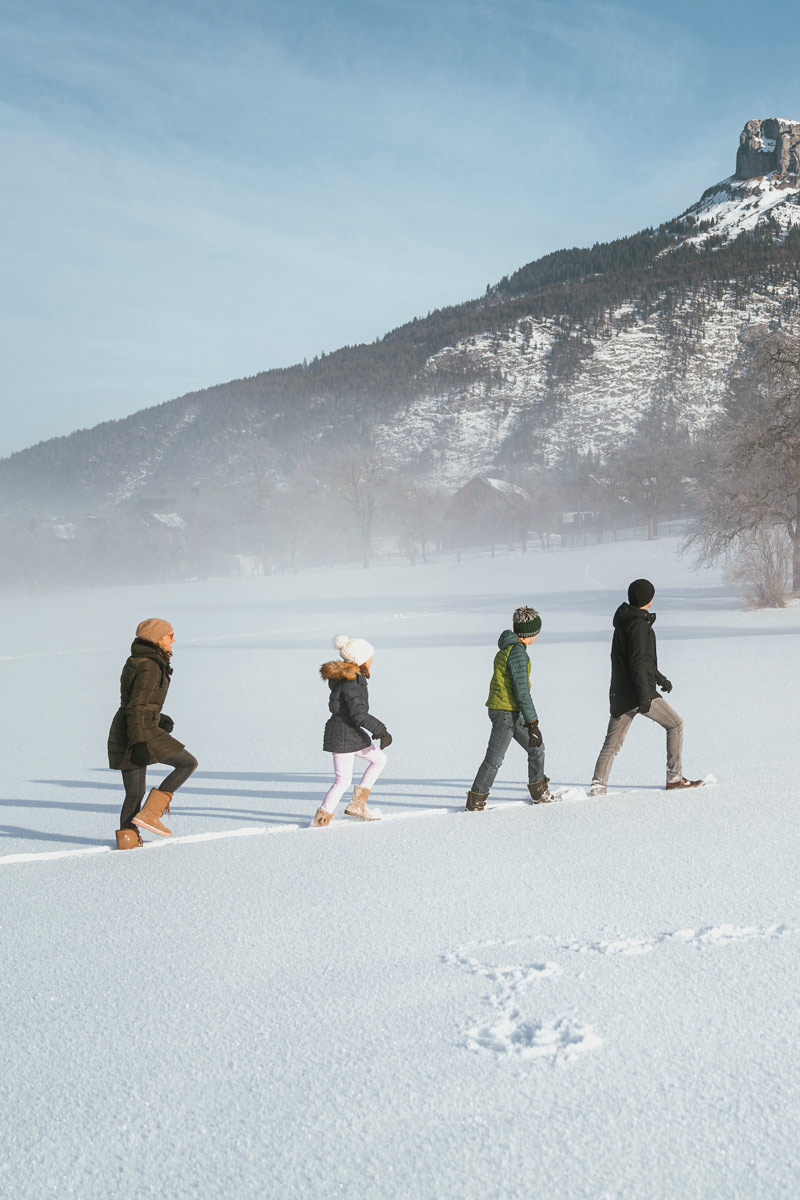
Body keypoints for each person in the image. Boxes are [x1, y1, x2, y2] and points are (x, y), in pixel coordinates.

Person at [590, 579, 703, 795]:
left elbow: (640, 660)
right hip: (638, 692)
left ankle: (598, 786)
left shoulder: (626, 622)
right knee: (675, 725)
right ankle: (674, 778)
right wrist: (645, 696)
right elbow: (637, 663)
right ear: (649, 599)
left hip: (622, 692)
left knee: (612, 743)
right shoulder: (639, 625)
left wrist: (660, 678)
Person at [107, 618, 198, 847]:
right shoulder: (149, 665)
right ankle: (150, 815)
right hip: (139, 730)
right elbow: (136, 706)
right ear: (157, 638)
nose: (173, 639)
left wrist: (158, 717)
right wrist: (139, 742)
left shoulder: (139, 660)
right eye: (170, 635)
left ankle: (127, 838)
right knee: (187, 763)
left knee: (134, 792)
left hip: (133, 725)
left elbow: (136, 701)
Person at [466, 606, 554, 811]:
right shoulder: (517, 655)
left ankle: (539, 792)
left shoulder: (510, 649)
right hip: (506, 713)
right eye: (537, 631)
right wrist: (533, 723)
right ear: (530, 633)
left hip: (511, 711)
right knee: (494, 759)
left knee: (536, 748)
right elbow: (522, 691)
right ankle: (475, 801)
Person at [312, 634, 392, 826]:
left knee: (378, 760)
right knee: (342, 781)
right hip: (345, 735)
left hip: (345, 733)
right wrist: (381, 731)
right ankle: (322, 819)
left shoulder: (345, 679)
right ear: (360, 660)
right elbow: (359, 714)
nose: (372, 660)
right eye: (369, 657)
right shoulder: (353, 682)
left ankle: (356, 805)